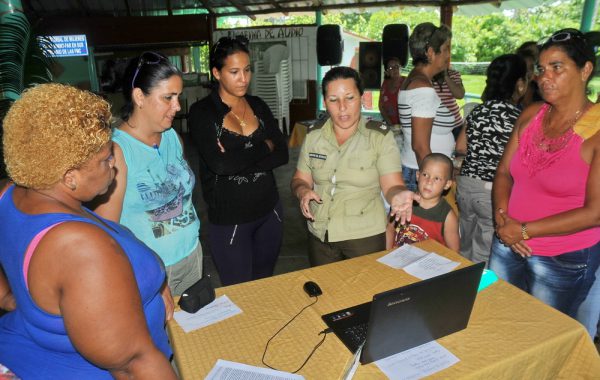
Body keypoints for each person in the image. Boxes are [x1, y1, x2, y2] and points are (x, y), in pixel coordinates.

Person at [0, 83, 175, 378]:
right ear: (70, 177)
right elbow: (133, 364)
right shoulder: (81, 248)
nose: (114, 166)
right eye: (105, 158)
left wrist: (10, 298)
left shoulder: (9, 194)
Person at [491, 29, 600, 319]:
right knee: (498, 317)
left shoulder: (596, 129)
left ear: (585, 70)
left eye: (557, 67)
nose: (544, 76)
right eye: (541, 68)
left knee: (540, 330)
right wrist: (503, 218)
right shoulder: (532, 114)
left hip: (562, 258)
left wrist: (523, 230)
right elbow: (503, 172)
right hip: (507, 240)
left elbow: (595, 213)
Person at [93, 51, 202, 297]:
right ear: (139, 96)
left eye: (178, 97)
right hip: (150, 269)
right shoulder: (117, 151)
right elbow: (106, 231)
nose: (177, 106)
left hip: (191, 254)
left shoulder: (172, 137)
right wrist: (148, 273)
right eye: (168, 98)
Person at [291, 66, 419, 266]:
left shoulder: (379, 137)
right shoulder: (314, 136)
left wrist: (399, 194)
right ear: (325, 102)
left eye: (349, 98)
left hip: (363, 236)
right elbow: (300, 179)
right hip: (320, 233)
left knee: (364, 295)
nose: (342, 107)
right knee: (325, 294)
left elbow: (391, 184)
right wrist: (303, 191)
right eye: (333, 100)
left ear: (361, 97)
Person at [188, 36, 289, 286]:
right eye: (234, 71)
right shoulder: (203, 113)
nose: (243, 78)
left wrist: (237, 158)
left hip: (270, 213)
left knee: (263, 285)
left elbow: (283, 153)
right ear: (216, 73)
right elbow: (220, 166)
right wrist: (264, 146)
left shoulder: (258, 105)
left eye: (247, 70)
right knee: (239, 293)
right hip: (231, 220)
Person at [455, 54, 527, 264]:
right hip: (492, 191)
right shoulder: (519, 117)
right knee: (484, 254)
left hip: (466, 185)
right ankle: (480, 293)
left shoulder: (478, 110)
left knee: (466, 245)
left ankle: (462, 286)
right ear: (520, 84)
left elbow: (460, 146)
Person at [398, 23, 455, 192]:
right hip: (422, 173)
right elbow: (420, 146)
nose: (448, 55)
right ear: (431, 52)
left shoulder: (414, 80)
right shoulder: (423, 89)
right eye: (446, 49)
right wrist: (432, 181)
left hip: (418, 170)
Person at [392, 153, 458, 251]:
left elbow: (454, 252)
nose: (429, 182)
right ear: (418, 175)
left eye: (436, 178)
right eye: (425, 175)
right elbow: (389, 229)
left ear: (447, 184)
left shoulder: (447, 216)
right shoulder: (404, 201)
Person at [432, 67, 465, 139]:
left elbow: (460, 95)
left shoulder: (454, 74)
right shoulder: (426, 75)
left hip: (456, 125)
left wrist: (446, 76)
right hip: (435, 126)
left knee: (459, 149)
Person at [378, 56, 405, 127]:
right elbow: (381, 106)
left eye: (396, 66)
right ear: (387, 72)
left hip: (405, 126)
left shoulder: (407, 82)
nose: (394, 69)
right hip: (390, 125)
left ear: (400, 67)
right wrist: (390, 124)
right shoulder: (385, 83)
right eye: (390, 68)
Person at [515, 41, 543, 108]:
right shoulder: (510, 90)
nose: (536, 57)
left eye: (531, 68)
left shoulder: (539, 86)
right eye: (531, 53)